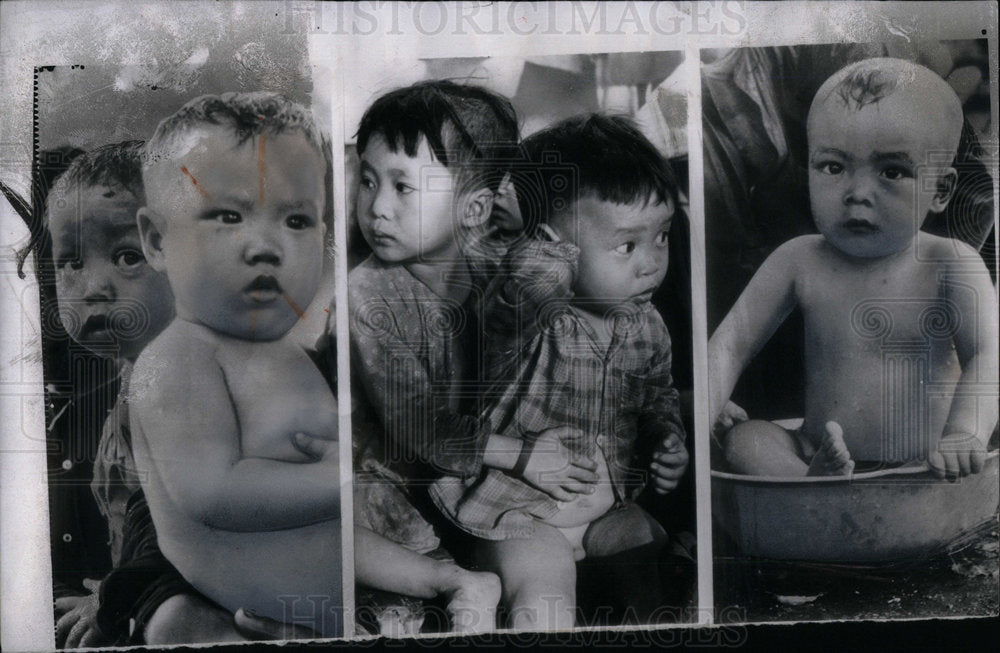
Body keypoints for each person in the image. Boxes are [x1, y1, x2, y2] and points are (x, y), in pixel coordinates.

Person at [130, 92, 499, 639]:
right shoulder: (177, 359)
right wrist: (334, 478)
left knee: (360, 537)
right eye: (229, 216)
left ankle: (448, 582)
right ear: (158, 240)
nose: (266, 246)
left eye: (297, 220)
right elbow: (213, 494)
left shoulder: (281, 347)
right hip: (271, 599)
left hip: (344, 577)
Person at [431, 114, 690, 629]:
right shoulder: (530, 318)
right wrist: (543, 262)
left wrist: (668, 436)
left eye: (661, 236)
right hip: (519, 515)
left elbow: (657, 395)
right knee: (545, 591)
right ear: (553, 248)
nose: (651, 264)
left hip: (606, 507)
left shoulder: (648, 324)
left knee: (650, 556)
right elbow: (507, 295)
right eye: (626, 246)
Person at [708, 58, 998, 478]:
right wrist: (709, 404)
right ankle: (811, 483)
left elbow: (988, 355)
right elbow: (731, 343)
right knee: (747, 439)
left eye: (892, 171)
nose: (857, 193)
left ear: (941, 189)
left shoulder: (951, 263)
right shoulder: (799, 258)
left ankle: (820, 490)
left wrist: (965, 433)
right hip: (815, 449)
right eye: (833, 166)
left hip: (924, 463)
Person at [43, 142, 176, 648]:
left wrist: (111, 602)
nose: (92, 287)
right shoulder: (131, 374)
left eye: (126, 256)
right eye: (70, 263)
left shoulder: (180, 380)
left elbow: (190, 523)